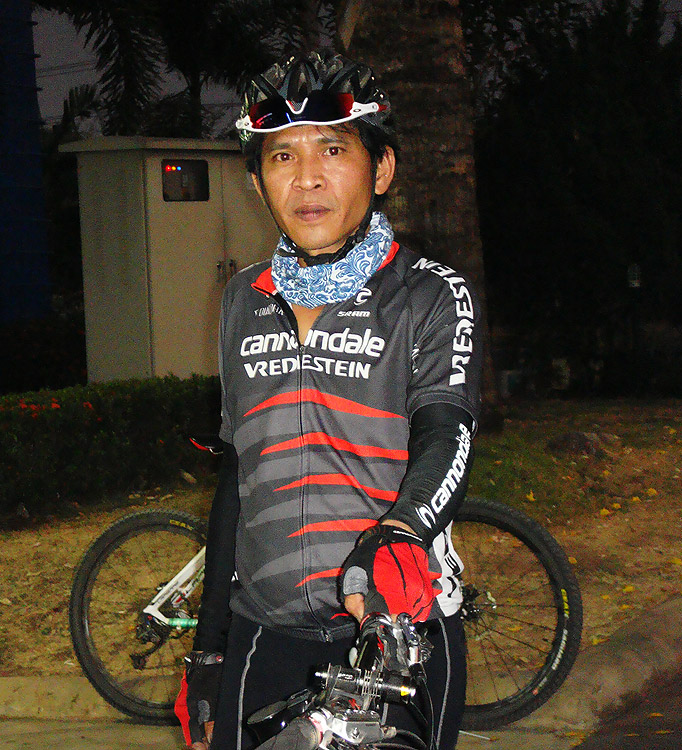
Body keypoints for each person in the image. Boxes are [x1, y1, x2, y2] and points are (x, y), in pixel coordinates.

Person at [175, 50, 483, 750]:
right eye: (282, 157)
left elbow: (448, 435)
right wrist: (209, 650)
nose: (307, 177)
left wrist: (400, 532)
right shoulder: (242, 299)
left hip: (394, 629)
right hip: (263, 634)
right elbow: (237, 477)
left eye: (333, 150)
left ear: (382, 169)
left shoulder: (430, 294)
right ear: (258, 182)